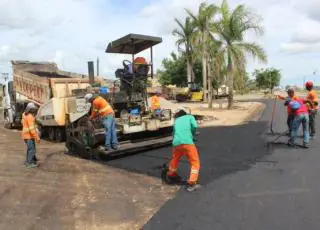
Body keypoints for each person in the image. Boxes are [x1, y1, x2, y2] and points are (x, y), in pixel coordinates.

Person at [166, 107, 200, 192]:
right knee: (195, 162)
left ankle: (171, 174)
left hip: (176, 143)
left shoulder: (176, 121)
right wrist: (192, 133)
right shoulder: (190, 117)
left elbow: (173, 133)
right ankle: (192, 183)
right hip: (187, 142)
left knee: (175, 158)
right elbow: (195, 126)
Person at [22, 102, 40, 168]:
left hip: (25, 135)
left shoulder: (24, 115)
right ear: (30, 109)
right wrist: (37, 137)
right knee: (32, 149)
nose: (34, 110)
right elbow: (32, 130)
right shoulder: (30, 117)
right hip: (29, 136)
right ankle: (29, 163)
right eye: (33, 109)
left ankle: (29, 161)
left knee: (30, 149)